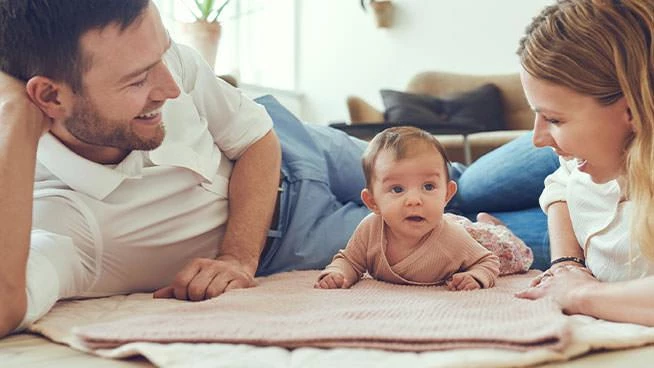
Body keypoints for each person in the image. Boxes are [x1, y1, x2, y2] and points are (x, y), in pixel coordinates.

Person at [0, 0, 375, 337]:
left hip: (293, 141)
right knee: (430, 230)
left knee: (429, 167)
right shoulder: (58, 218)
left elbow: (255, 137)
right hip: (291, 234)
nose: (170, 87)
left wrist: (237, 256)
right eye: (138, 79)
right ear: (50, 96)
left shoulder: (160, 62)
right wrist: (14, 112)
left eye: (163, 53)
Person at [512, 0, 654, 326]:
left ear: (632, 109)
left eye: (553, 119)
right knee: (461, 188)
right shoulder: (586, 153)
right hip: (576, 203)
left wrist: (578, 294)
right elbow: (561, 182)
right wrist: (567, 264)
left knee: (442, 221)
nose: (537, 138)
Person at [315, 127, 504, 290]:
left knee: (505, 248)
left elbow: (488, 261)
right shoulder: (370, 229)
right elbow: (350, 261)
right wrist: (337, 272)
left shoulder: (453, 238)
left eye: (428, 187)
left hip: (479, 239)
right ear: (373, 202)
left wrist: (475, 277)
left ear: (447, 194)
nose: (414, 200)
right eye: (397, 189)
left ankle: (492, 226)